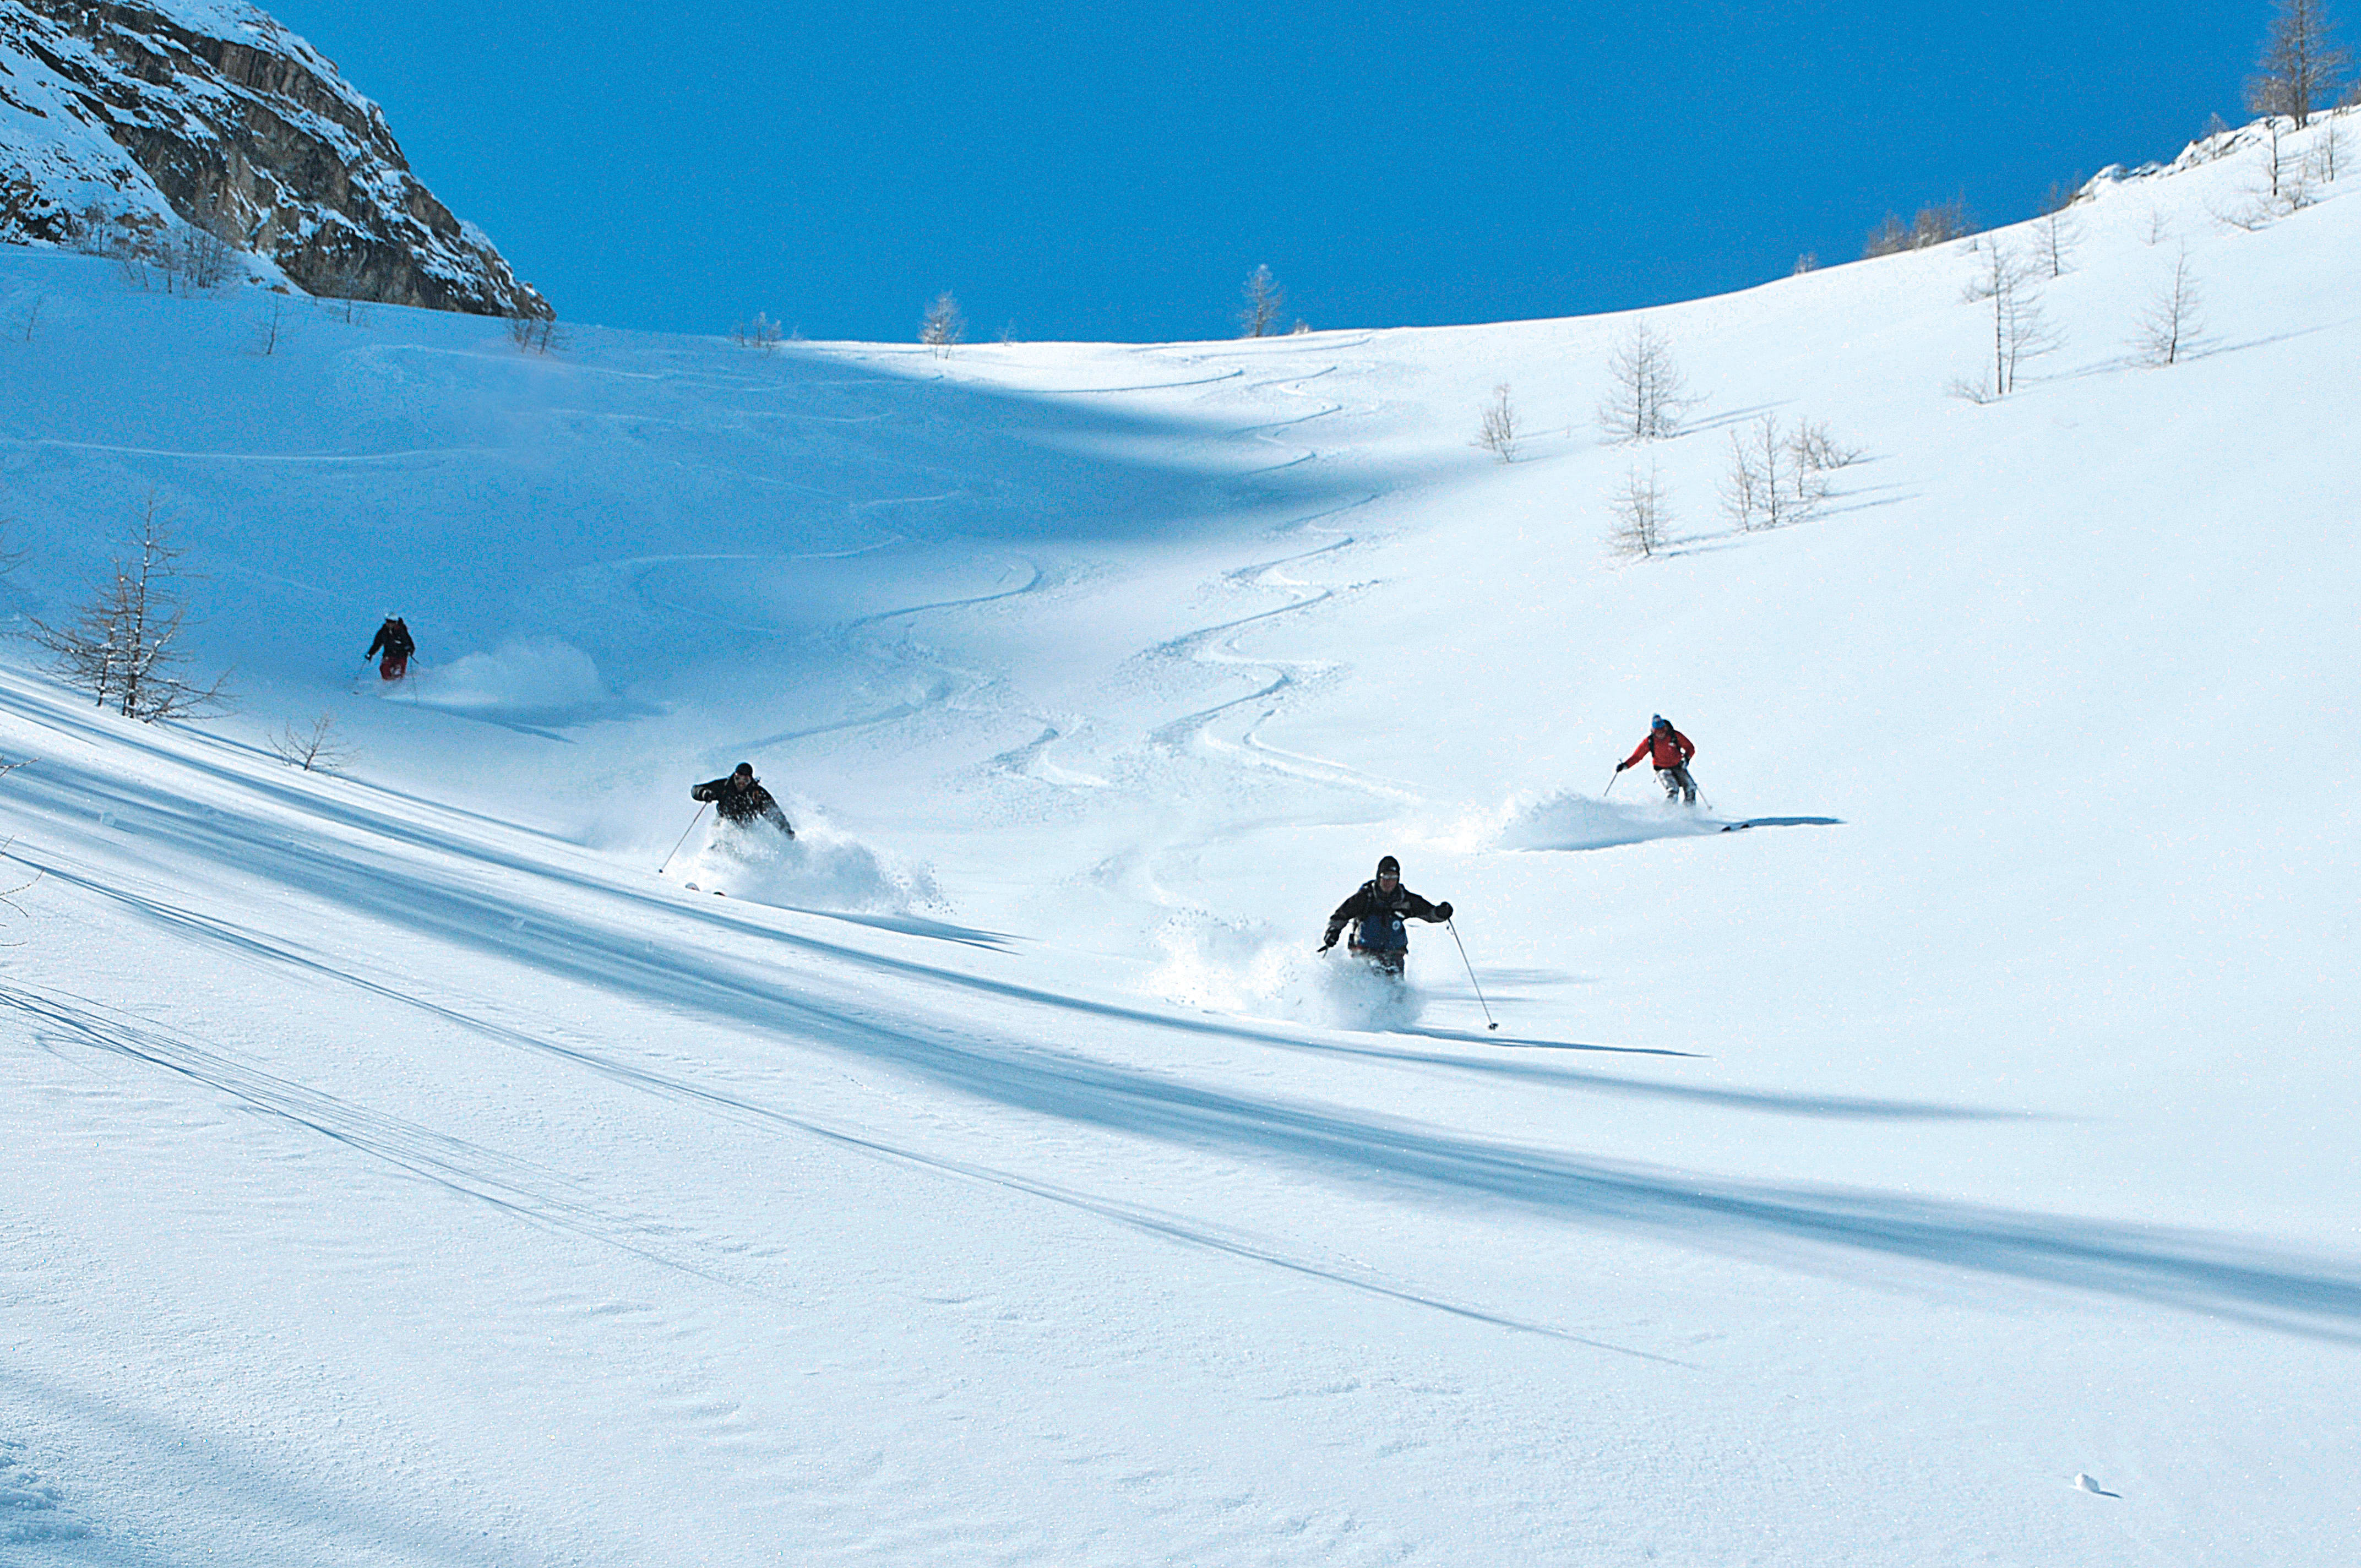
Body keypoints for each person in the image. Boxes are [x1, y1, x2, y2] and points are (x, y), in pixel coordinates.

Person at [1319, 855, 1452, 978]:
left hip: (1394, 954)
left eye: (1393, 878)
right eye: (1386, 877)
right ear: (1379, 877)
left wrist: (1441, 913)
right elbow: (1341, 916)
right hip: (1365, 953)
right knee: (1369, 987)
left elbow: (1429, 913)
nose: (1389, 882)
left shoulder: (1404, 899)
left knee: (1396, 994)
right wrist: (1332, 933)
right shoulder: (1365, 898)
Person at [690, 762, 794, 837]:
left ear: (751, 780)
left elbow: (773, 813)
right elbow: (696, 790)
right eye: (738, 778)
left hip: (746, 827)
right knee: (723, 835)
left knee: (746, 843)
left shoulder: (757, 794)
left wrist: (786, 830)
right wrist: (704, 794)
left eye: (746, 780)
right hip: (724, 822)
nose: (741, 783)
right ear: (734, 776)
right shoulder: (724, 787)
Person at [1617, 714, 1697, 804]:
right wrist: (1625, 765)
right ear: (1653, 731)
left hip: (1678, 766)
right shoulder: (1650, 741)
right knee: (1673, 790)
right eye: (1657, 731)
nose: (1660, 734)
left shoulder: (1675, 736)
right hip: (1662, 768)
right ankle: (1668, 812)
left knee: (1691, 788)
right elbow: (1637, 756)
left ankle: (1689, 812)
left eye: (1662, 730)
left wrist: (1686, 759)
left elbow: (1690, 748)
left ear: (1666, 728)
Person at [365, 614, 415, 682]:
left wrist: (409, 649)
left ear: (396, 623)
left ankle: (399, 686)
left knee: (398, 670)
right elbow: (377, 644)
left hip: (401, 655)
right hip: (388, 654)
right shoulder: (383, 632)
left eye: (391, 622)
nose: (389, 624)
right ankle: (387, 685)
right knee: (384, 668)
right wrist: (370, 653)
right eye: (388, 621)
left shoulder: (401, 631)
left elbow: (409, 643)